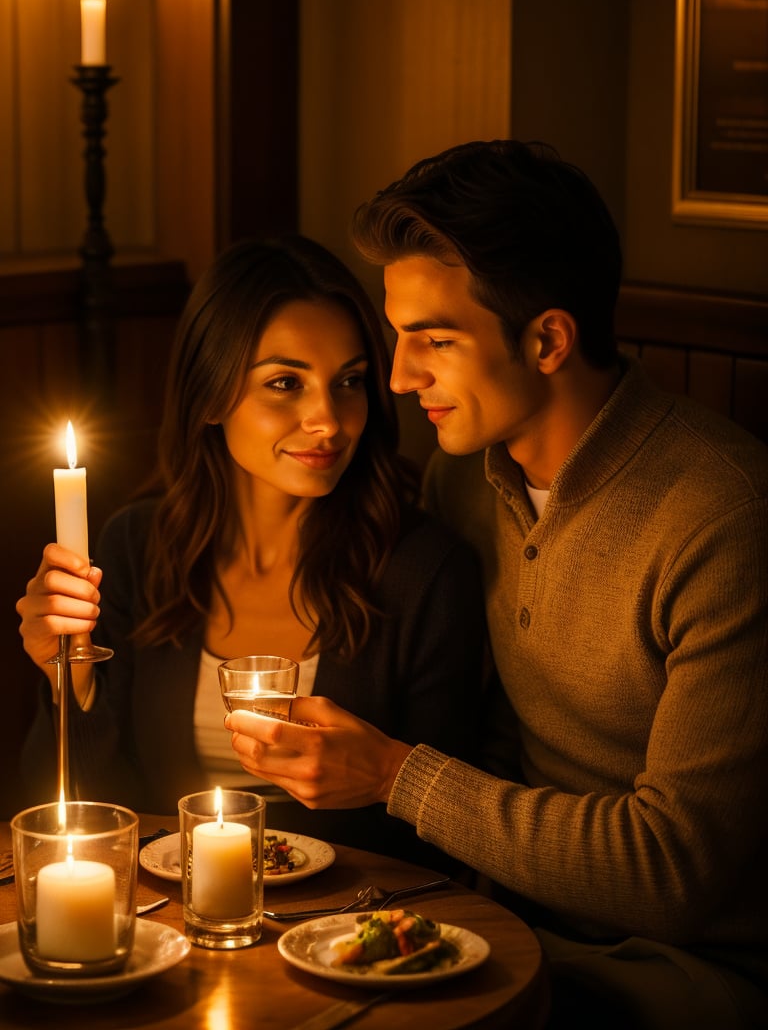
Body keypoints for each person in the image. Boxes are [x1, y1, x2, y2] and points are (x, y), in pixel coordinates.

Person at [222, 143, 768, 1029]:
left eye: (435, 340)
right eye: (397, 337)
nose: (400, 377)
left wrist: (396, 776)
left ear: (548, 339)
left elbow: (676, 876)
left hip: (680, 975)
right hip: (501, 931)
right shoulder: (464, 483)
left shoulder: (723, 518)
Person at [17, 233, 488, 872]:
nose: (328, 418)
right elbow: (83, 822)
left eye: (348, 381)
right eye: (286, 383)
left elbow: (440, 844)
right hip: (170, 921)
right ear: (211, 394)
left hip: (345, 934)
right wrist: (67, 676)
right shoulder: (134, 550)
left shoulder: (424, 573)